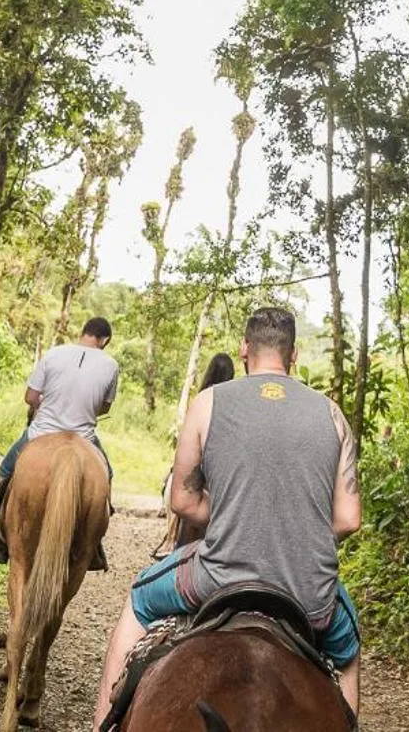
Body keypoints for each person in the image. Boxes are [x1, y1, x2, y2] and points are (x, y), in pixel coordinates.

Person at [93, 307, 362, 728]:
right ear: (294, 354)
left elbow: (182, 501)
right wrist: (297, 527)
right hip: (309, 591)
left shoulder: (209, 402)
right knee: (347, 652)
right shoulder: (332, 415)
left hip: (217, 576)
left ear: (244, 349)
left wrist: (231, 514)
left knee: (138, 601)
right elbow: (348, 520)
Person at [0, 315, 119, 566]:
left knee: (7, 468)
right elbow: (104, 407)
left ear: (83, 332)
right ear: (104, 339)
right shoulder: (111, 365)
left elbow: (30, 397)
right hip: (84, 437)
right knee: (106, 473)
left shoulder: (54, 354)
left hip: (41, 432)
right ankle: (93, 540)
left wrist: (47, 403)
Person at [154, 352, 237, 558]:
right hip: (223, 467)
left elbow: (188, 445)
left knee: (175, 489)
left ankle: (172, 539)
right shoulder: (234, 404)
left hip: (200, 464)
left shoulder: (200, 400)